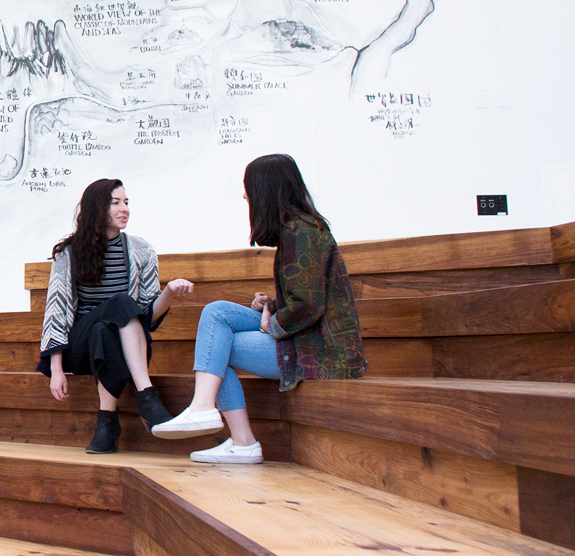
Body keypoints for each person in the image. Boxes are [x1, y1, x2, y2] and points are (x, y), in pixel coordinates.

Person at [151, 153, 367, 463]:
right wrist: (272, 305)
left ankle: (237, 437)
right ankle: (206, 410)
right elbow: (307, 295)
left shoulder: (302, 233)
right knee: (216, 313)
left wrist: (271, 323)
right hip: (312, 340)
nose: (244, 194)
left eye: (247, 187)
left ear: (267, 189)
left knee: (218, 348)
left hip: (322, 352)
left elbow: (307, 305)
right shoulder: (300, 229)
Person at [39, 178, 194, 454]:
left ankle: (107, 426)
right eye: (115, 203)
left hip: (122, 346)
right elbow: (57, 310)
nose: (124, 209)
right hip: (79, 347)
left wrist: (168, 292)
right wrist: (56, 369)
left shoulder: (141, 250)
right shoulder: (70, 252)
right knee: (118, 305)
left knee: (105, 330)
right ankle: (148, 398)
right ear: (97, 208)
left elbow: (146, 316)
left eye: (126, 202)